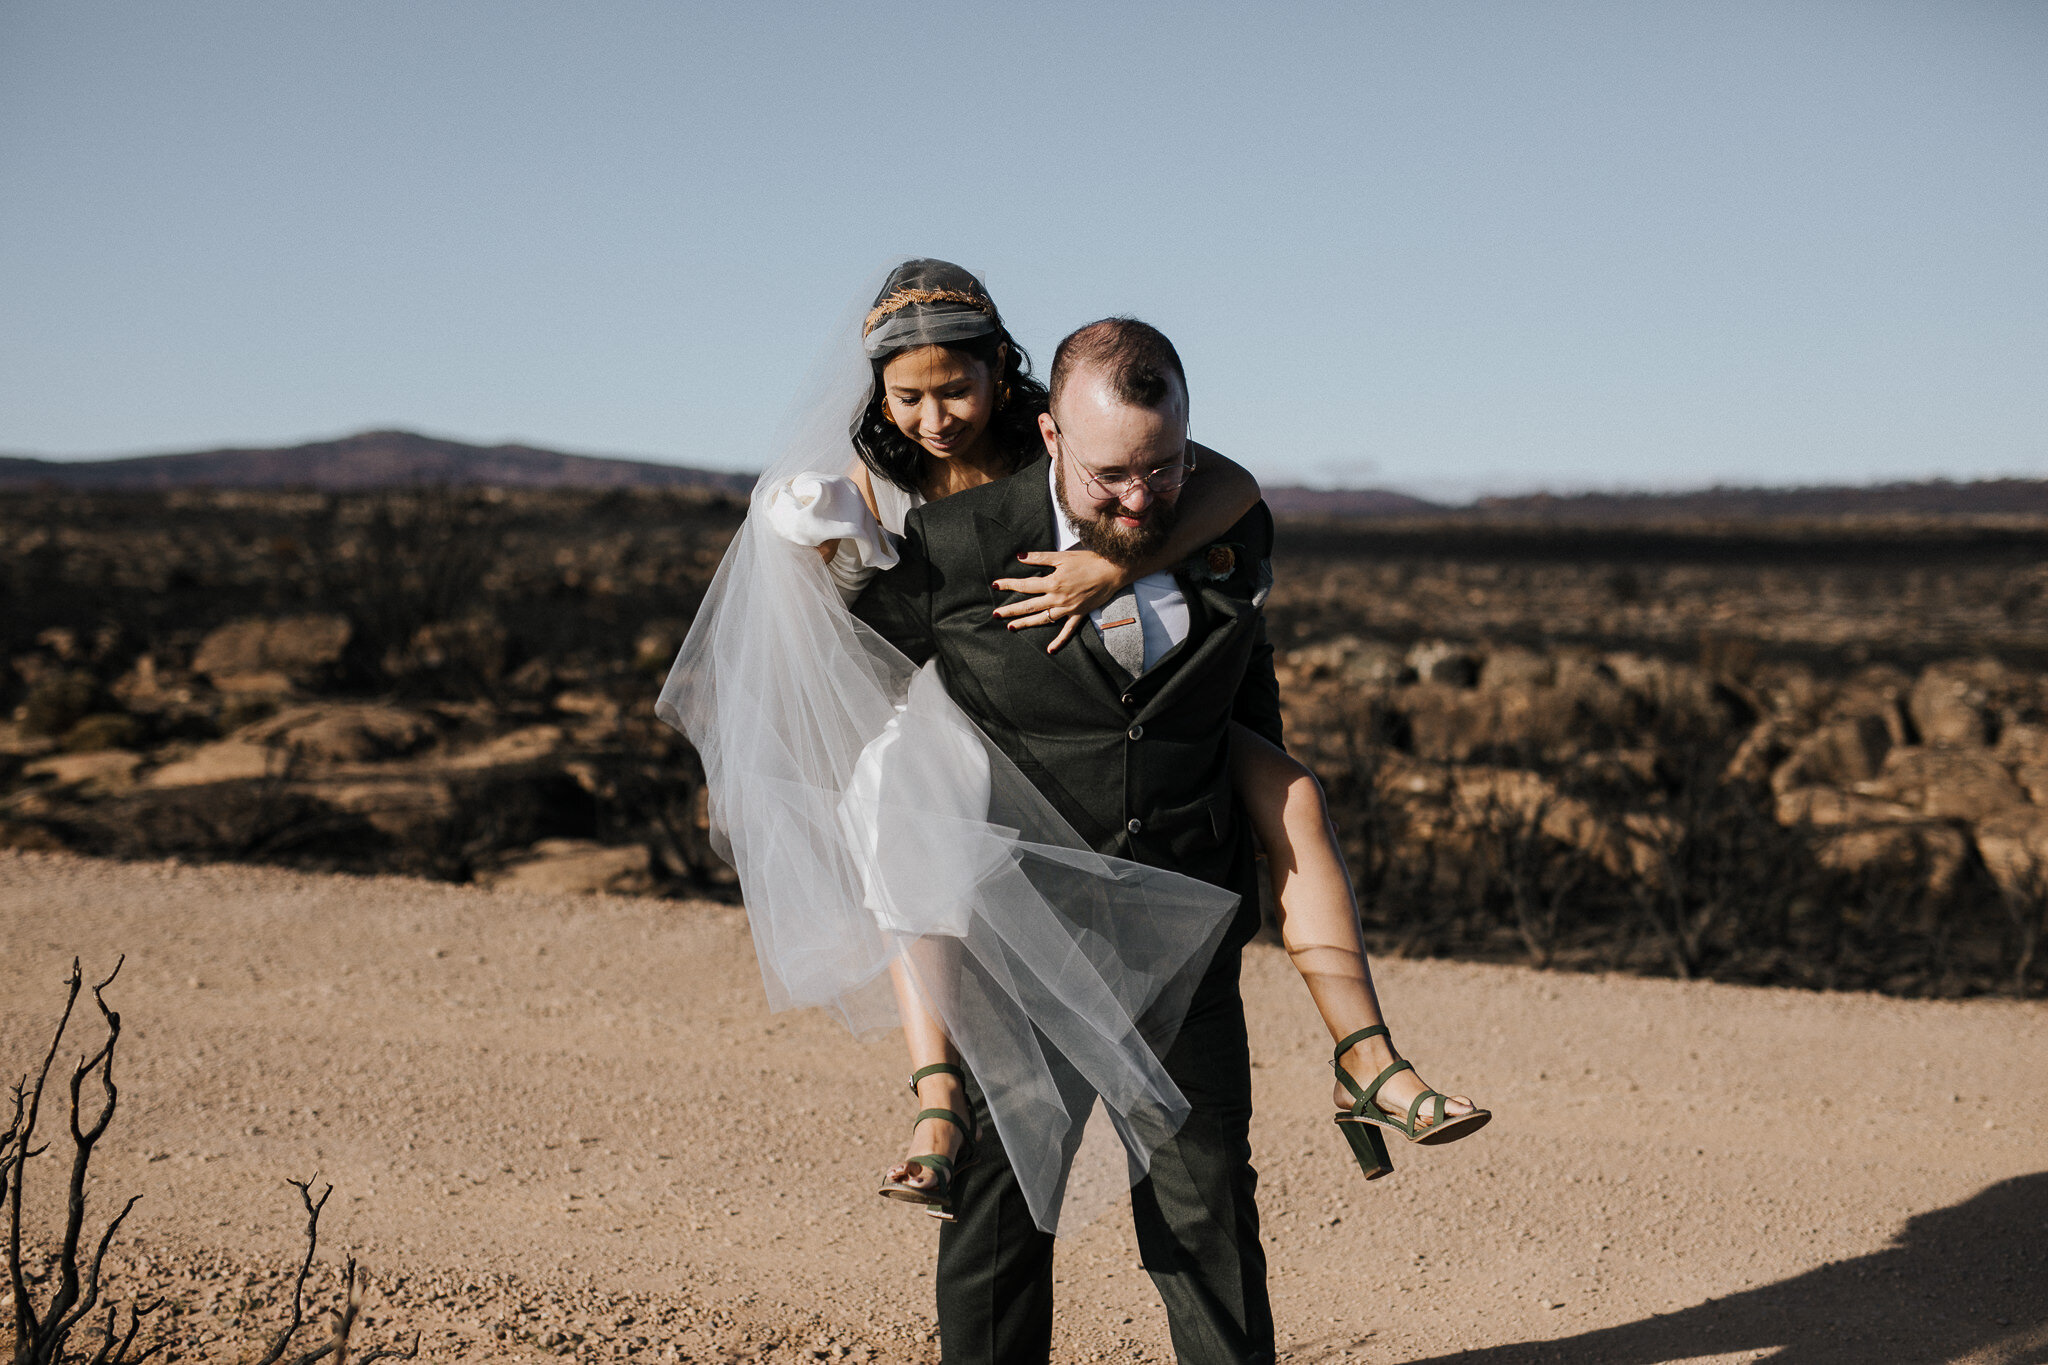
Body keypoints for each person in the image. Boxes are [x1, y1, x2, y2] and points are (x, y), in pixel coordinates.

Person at [850, 294, 1485, 1365]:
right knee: (1000, 1220)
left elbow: (1252, 700)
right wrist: (814, 547)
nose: (1140, 498)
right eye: (1109, 476)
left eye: (1164, 466)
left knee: (1203, 1213)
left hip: (1186, 935)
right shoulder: (955, 545)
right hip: (1024, 939)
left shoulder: (1227, 527)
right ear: (1049, 431)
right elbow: (846, 665)